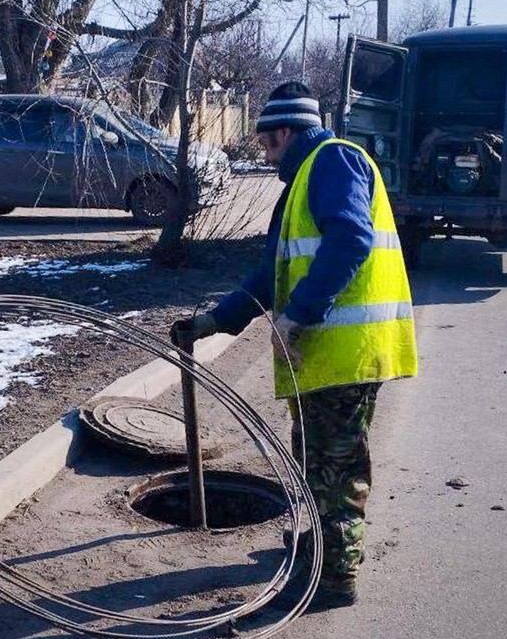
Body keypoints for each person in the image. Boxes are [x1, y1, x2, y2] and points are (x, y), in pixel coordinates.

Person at [173, 82, 418, 610]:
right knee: (317, 460)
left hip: (344, 353)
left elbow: (350, 240)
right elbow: (274, 273)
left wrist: (302, 314)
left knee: (337, 466)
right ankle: (324, 549)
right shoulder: (308, 177)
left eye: (266, 144)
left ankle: (333, 579)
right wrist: (216, 320)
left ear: (285, 132)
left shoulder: (333, 161)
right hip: (327, 354)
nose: (266, 155)